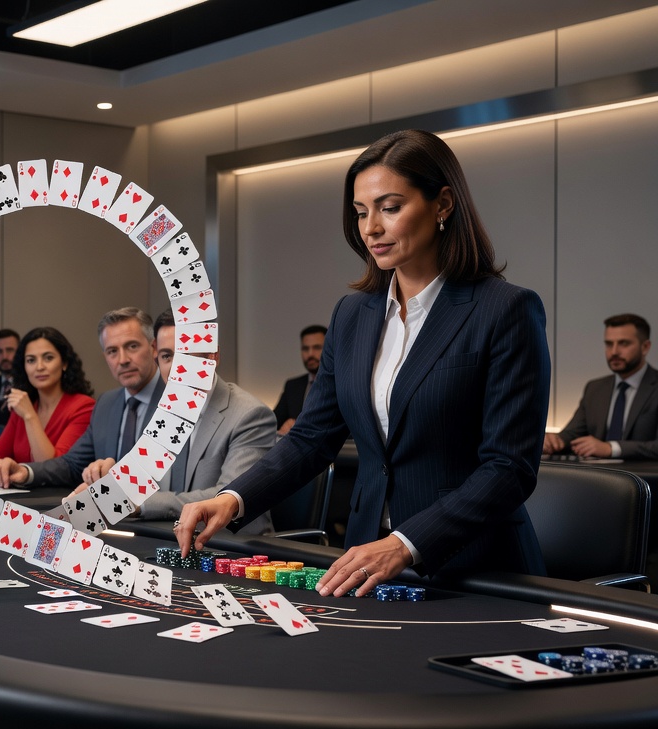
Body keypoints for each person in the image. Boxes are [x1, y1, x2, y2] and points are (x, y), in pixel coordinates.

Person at [176, 128, 550, 597]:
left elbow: (508, 468)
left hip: (476, 570)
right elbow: (312, 437)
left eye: (389, 208)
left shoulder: (506, 309)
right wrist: (232, 498)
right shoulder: (352, 314)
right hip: (364, 562)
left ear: (443, 205)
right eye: (360, 212)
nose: (370, 227)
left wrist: (405, 543)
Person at [135, 310, 278, 534]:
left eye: (186, 356)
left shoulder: (251, 415)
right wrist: (108, 488)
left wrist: (142, 504)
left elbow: (226, 496)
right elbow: (144, 478)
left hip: (236, 550)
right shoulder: (161, 412)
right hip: (169, 542)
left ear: (213, 357)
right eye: (166, 356)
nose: (175, 369)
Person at [0, 308, 161, 489]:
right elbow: (71, 464)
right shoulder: (106, 403)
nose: (122, 360)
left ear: (154, 347)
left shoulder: (178, 399)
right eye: (112, 351)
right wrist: (26, 472)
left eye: (132, 346)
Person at [0, 327, 95, 472]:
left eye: (48, 358)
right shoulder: (24, 407)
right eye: (31, 360)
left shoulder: (84, 407)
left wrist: (30, 416)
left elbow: (53, 468)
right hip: (21, 492)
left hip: (59, 493)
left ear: (64, 363)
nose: (39, 367)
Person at [542, 314, 658, 460]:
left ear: (645, 347)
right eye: (609, 344)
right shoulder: (595, 388)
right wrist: (555, 441)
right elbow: (573, 434)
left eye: (624, 343)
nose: (614, 351)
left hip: (646, 480)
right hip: (598, 478)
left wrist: (611, 448)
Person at [274, 325, 327, 435]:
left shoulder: (341, 385)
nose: (310, 354)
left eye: (317, 347)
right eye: (305, 348)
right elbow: (272, 423)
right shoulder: (292, 386)